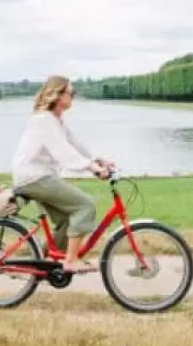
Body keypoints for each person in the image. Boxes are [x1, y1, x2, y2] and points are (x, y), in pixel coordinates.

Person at [11, 75, 115, 274]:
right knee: (85, 205)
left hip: (38, 176)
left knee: (68, 219)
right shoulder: (44, 120)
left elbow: (74, 144)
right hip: (33, 177)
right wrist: (91, 168)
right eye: (71, 93)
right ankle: (70, 260)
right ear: (58, 95)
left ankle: (44, 263)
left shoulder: (55, 119)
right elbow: (63, 152)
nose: (73, 96)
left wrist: (99, 160)